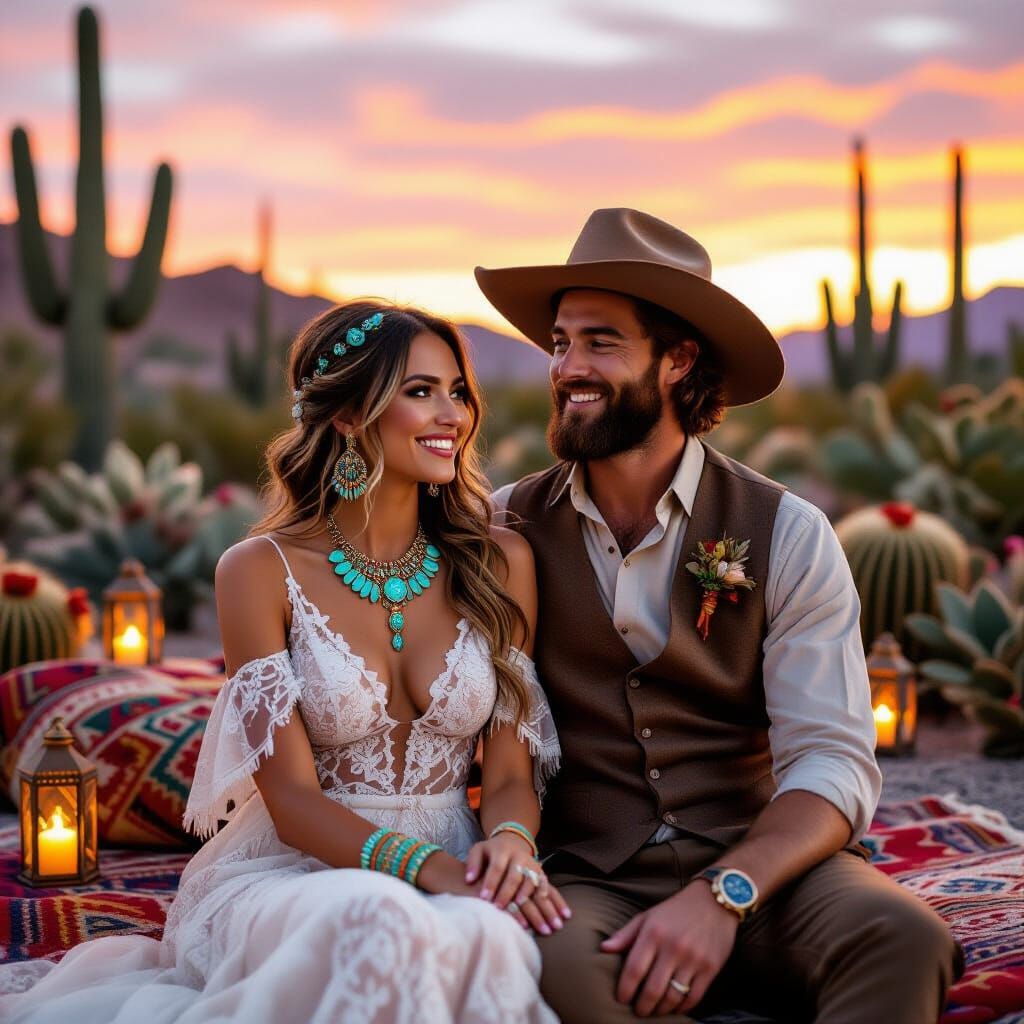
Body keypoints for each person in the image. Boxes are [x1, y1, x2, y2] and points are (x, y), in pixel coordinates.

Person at [0, 301, 565, 1023]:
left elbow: (513, 773)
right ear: (349, 416)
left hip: (461, 854)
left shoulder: (501, 562)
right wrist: (435, 874)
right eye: (420, 391)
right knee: (383, 923)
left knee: (487, 933)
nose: (451, 413)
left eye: (458, 391)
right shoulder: (258, 570)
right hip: (299, 870)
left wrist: (512, 847)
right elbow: (293, 802)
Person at [480, 208, 962, 1023]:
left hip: (766, 871)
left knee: (905, 937)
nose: (567, 366)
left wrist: (724, 892)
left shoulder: (790, 532)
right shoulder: (505, 529)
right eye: (560, 342)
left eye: (601, 341)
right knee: (547, 965)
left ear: (678, 360)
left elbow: (833, 762)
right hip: (591, 879)